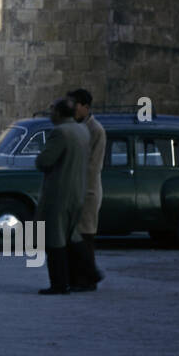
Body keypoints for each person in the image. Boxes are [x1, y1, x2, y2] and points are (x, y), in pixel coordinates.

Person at [34, 97, 91, 295]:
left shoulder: (60, 132)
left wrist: (41, 158)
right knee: (73, 236)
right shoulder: (82, 129)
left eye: (52, 111)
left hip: (59, 192)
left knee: (55, 238)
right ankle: (89, 274)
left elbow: (44, 161)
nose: (50, 114)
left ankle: (59, 283)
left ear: (58, 113)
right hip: (77, 191)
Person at [67, 88, 106, 288]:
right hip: (77, 190)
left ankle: (89, 277)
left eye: (75, 104)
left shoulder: (96, 130)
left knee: (86, 235)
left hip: (88, 191)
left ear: (85, 107)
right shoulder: (77, 127)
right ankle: (82, 276)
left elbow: (93, 166)